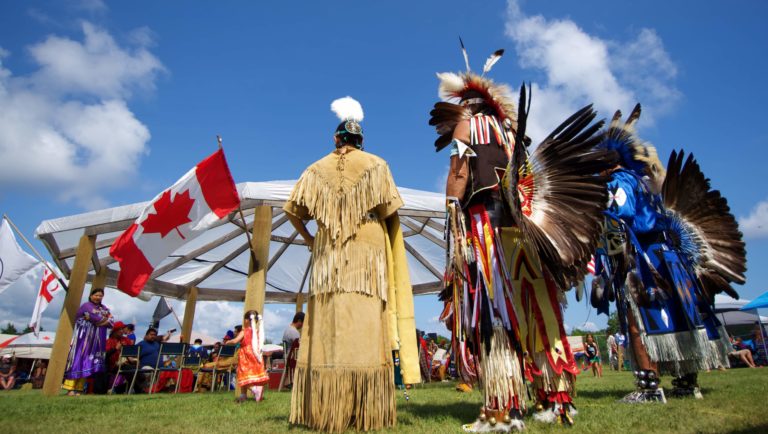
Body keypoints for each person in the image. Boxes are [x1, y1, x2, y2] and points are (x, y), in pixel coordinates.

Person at [429, 48, 610, 430]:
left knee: (496, 314)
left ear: (467, 104)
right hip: (523, 231)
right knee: (538, 311)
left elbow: (460, 173)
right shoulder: (510, 133)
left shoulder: (467, 127)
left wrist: (450, 209)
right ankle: (556, 400)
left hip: (486, 231)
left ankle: (504, 408)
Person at [590, 105, 746, 401]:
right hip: (670, 259)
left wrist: (602, 241)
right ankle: (688, 383)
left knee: (639, 321)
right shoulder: (645, 183)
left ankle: (649, 388)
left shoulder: (617, 182)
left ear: (607, 164)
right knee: (679, 318)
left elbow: (618, 217)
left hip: (642, 258)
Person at [284, 96, 419, 432]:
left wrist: (311, 239)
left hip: (329, 253)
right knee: (367, 323)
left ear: (335, 139)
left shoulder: (315, 170)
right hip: (367, 253)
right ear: (361, 141)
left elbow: (291, 212)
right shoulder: (377, 165)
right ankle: (364, 410)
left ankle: (327, 409)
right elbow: (390, 212)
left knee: (329, 324)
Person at [62, 287, 113, 395]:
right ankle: (70, 389)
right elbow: (95, 317)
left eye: (100, 295)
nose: (98, 297)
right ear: (91, 296)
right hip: (84, 340)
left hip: (97, 341)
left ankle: (79, 389)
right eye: (96, 295)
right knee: (78, 360)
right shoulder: (86, 306)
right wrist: (100, 320)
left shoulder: (104, 308)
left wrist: (98, 321)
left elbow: (111, 321)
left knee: (87, 363)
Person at [228, 310, 269, 403]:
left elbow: (235, 341)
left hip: (245, 355)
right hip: (256, 354)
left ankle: (254, 389)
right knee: (252, 374)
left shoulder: (244, 331)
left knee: (244, 374)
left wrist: (228, 342)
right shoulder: (257, 331)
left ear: (246, 320)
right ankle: (243, 395)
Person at [136, 327, 172, 392]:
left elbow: (164, 339)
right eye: (151, 334)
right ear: (146, 335)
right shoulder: (141, 344)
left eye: (154, 335)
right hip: (146, 367)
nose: (153, 336)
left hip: (159, 367)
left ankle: (163, 389)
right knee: (150, 371)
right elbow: (134, 356)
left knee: (168, 371)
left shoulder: (157, 344)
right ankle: (147, 390)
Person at [105, 321, 133, 392]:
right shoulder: (109, 341)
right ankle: (140, 389)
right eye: (120, 329)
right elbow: (106, 355)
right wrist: (116, 349)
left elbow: (132, 352)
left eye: (122, 329)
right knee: (131, 370)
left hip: (127, 363)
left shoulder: (126, 340)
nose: (122, 331)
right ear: (114, 331)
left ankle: (137, 388)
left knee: (134, 368)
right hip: (114, 366)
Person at [282, 312, 304, 389]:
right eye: (302, 323)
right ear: (299, 321)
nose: (302, 326)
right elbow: (299, 347)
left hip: (287, 356)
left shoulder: (288, 329)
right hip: (291, 357)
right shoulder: (294, 332)